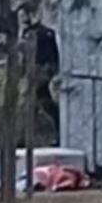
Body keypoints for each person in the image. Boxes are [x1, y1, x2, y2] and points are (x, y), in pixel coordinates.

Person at [24, 10, 61, 138]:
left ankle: (29, 135)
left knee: (36, 99)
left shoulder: (34, 34)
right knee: (41, 99)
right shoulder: (47, 33)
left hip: (40, 69)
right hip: (44, 69)